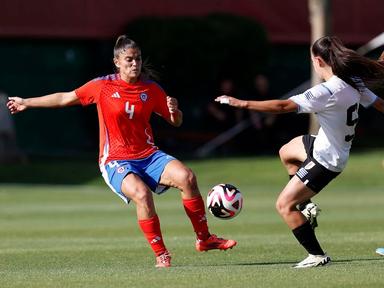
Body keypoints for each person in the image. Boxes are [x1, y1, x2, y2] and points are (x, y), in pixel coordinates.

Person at [7, 35, 236, 268]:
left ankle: (204, 238)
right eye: (129, 59)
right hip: (115, 159)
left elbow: (175, 121)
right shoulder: (102, 86)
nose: (134, 64)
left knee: (187, 177)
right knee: (141, 194)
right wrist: (27, 102)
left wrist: (174, 111)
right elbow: (65, 98)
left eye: (137, 59)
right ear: (117, 62)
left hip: (148, 155)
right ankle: (161, 254)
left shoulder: (150, 88)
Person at [215, 36, 384, 268]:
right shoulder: (353, 82)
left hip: (327, 160)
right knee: (287, 151)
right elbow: (379, 104)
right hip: (324, 145)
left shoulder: (327, 91)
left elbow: (283, 106)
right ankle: (307, 205)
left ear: (317, 61)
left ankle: (316, 254)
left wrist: (241, 103)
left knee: (284, 205)